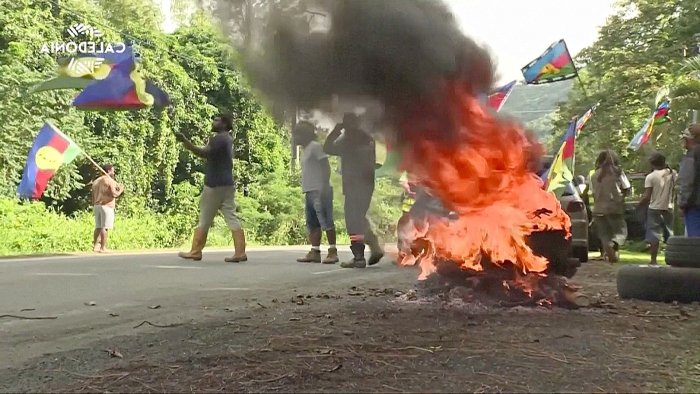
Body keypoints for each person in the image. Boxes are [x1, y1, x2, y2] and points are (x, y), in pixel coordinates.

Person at [175, 113, 247, 263]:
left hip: (214, 184)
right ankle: (240, 252)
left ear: (225, 124)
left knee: (204, 219)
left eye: (217, 120)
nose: (213, 122)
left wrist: (185, 141)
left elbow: (203, 153)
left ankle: (195, 251)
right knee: (231, 217)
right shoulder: (227, 139)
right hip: (227, 183)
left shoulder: (219, 138)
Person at [324, 113, 384, 268]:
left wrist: (337, 130)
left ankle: (359, 256)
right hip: (367, 185)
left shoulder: (347, 141)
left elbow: (327, 147)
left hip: (353, 185)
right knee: (359, 218)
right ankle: (374, 245)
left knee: (353, 221)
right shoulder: (368, 139)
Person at [293, 121, 339, 264]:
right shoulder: (305, 149)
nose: (294, 137)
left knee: (326, 220)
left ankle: (332, 252)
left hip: (320, 189)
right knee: (312, 222)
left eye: (297, 134)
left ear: (304, 135)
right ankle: (315, 251)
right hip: (309, 190)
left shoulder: (315, 147)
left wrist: (324, 186)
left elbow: (325, 166)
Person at [590, 150, 631, 263]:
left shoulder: (594, 175)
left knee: (604, 234)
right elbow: (626, 187)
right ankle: (614, 244)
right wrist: (622, 198)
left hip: (598, 208)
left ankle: (610, 252)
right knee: (620, 231)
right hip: (614, 207)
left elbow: (593, 192)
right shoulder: (618, 173)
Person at [638, 152, 676, 264]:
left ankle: (653, 260)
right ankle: (672, 259)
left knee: (654, 234)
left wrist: (639, 205)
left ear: (652, 164)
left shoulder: (651, 177)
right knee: (669, 234)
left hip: (654, 208)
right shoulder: (672, 174)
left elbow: (647, 196)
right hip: (669, 207)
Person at [91, 164, 124, 253]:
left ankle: (95, 246)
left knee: (98, 226)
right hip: (107, 205)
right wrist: (120, 190)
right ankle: (103, 247)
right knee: (104, 227)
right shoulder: (109, 180)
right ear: (108, 171)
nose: (113, 172)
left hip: (97, 205)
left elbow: (93, 195)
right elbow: (114, 194)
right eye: (112, 170)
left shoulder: (96, 181)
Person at [679, 123, 700, 236]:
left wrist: (682, 204)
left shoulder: (691, 156)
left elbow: (687, 182)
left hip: (694, 204)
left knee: (695, 242)